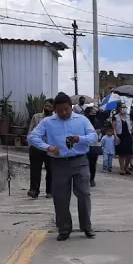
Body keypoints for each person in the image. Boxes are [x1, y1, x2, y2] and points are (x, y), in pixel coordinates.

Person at [28, 93, 98, 241]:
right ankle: (64, 228)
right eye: (60, 110)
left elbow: (94, 137)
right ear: (55, 110)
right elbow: (32, 137)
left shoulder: (82, 120)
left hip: (80, 161)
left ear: (71, 107)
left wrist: (80, 138)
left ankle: (86, 226)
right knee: (60, 197)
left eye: (66, 109)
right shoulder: (48, 122)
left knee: (84, 194)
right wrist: (48, 147)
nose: (64, 113)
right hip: (59, 163)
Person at [27, 98, 54, 199]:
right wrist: (31, 145)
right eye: (46, 105)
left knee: (51, 170)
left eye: (49, 106)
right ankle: (34, 190)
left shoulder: (55, 119)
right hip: (36, 147)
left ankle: (50, 191)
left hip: (49, 148)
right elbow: (30, 131)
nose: (47, 108)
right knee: (35, 170)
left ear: (53, 108)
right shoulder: (36, 117)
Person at [112, 104, 133, 174]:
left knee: (129, 154)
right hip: (120, 136)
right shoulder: (115, 117)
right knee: (121, 154)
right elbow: (114, 128)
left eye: (125, 107)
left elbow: (132, 127)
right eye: (122, 107)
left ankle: (126, 167)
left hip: (128, 136)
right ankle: (122, 169)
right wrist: (116, 136)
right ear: (119, 108)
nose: (124, 109)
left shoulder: (128, 117)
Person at [84, 107, 101, 187]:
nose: (93, 113)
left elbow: (99, 131)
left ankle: (92, 178)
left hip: (94, 145)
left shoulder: (97, 121)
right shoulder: (84, 121)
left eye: (94, 112)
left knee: (93, 163)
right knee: (84, 163)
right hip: (85, 145)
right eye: (91, 112)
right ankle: (85, 178)